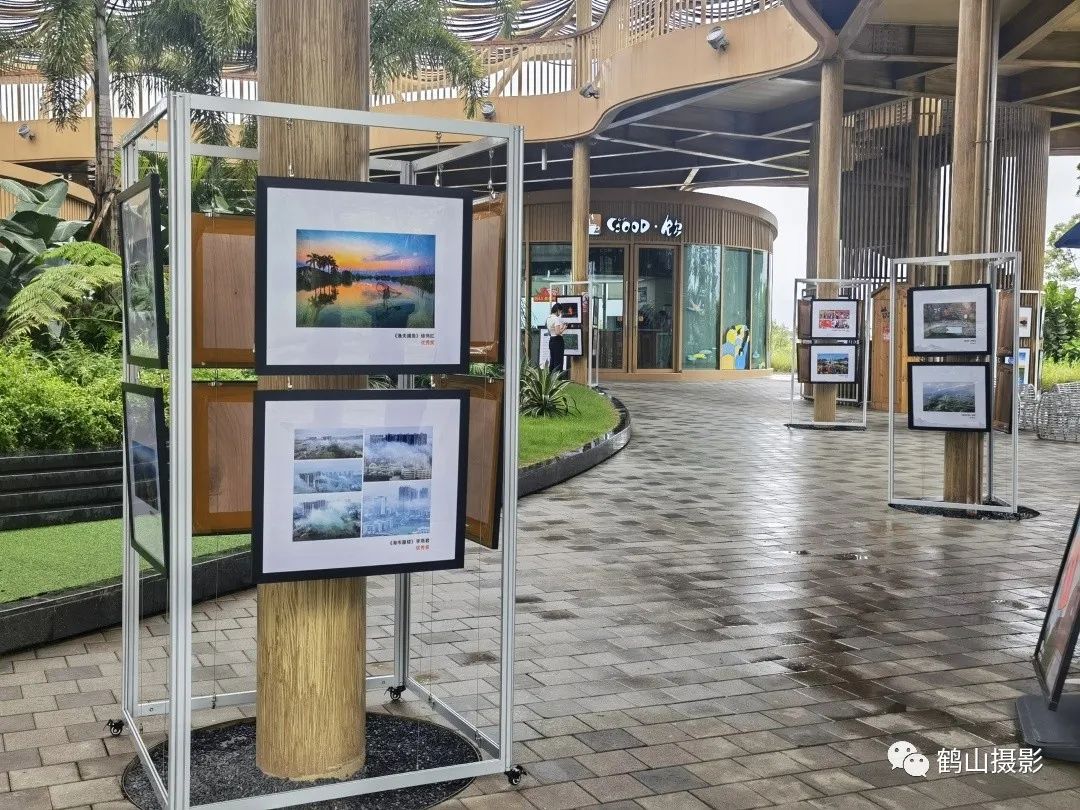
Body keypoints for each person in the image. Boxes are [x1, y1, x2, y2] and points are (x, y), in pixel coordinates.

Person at [547, 303, 567, 374]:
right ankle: (557, 378)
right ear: (558, 310)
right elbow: (558, 332)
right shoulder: (556, 319)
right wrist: (564, 328)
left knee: (552, 359)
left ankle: (550, 377)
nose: (560, 314)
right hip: (558, 340)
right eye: (560, 312)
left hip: (551, 340)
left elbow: (550, 331)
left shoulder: (548, 318)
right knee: (558, 360)